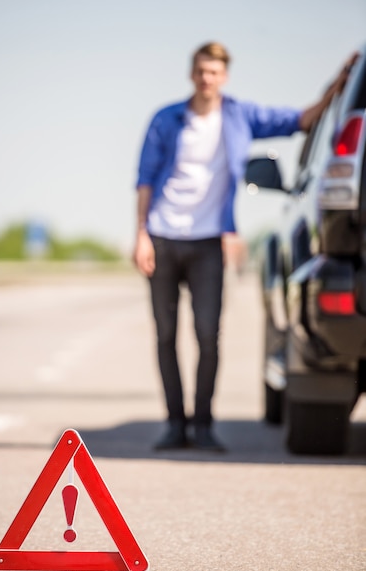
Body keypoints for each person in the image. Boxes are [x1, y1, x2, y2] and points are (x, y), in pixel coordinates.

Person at [133, 42, 357, 452]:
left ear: (224, 77)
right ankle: (174, 424)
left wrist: (336, 87)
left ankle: (202, 425)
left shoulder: (239, 116)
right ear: (192, 74)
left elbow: (301, 120)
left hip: (208, 242)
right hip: (164, 238)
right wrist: (141, 234)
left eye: (214, 72)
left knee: (207, 334)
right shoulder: (167, 120)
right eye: (201, 71)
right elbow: (145, 179)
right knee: (166, 335)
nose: (207, 79)